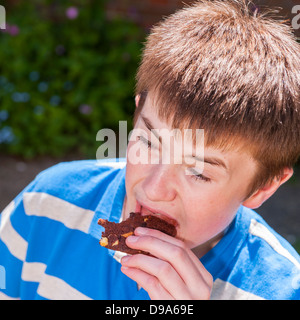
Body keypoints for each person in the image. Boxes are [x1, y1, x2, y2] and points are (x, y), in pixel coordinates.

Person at [1, 0, 300, 300]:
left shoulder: (284, 290)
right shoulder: (43, 206)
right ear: (137, 111)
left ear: (262, 187)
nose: (154, 189)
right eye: (148, 142)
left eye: (198, 172)